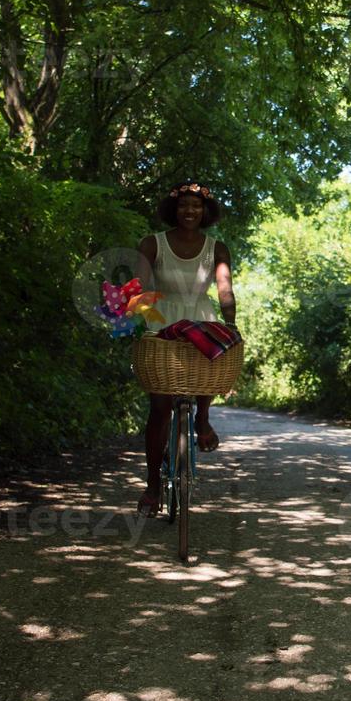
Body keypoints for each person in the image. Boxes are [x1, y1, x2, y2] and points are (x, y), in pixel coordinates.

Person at [136, 179, 237, 517]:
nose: (189, 210)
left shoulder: (217, 249)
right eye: (183, 205)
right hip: (163, 321)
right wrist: (151, 322)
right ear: (173, 210)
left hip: (203, 319)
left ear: (205, 211)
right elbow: (142, 286)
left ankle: (203, 419)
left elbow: (224, 291)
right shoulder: (152, 244)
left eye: (196, 206)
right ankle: (152, 486)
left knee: (209, 368)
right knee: (160, 408)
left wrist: (231, 323)